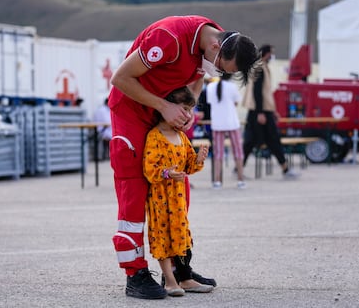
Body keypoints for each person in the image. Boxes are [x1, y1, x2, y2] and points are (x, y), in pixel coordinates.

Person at [108, 15, 260, 300]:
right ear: (215, 47)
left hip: (163, 113)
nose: (218, 73)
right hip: (132, 112)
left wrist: (186, 112)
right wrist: (163, 106)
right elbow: (120, 79)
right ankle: (135, 273)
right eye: (221, 69)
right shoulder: (169, 39)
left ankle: (179, 270)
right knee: (134, 192)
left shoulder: (210, 41)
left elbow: (197, 79)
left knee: (178, 190)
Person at [143, 87, 212, 297]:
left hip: (178, 202)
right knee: (162, 237)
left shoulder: (181, 137)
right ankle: (170, 280)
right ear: (167, 108)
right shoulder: (155, 137)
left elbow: (188, 166)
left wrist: (198, 159)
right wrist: (167, 173)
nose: (188, 116)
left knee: (181, 236)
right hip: (160, 200)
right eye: (184, 109)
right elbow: (149, 168)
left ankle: (186, 278)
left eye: (190, 110)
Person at [243, 44, 298, 178]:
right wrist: (261, 112)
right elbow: (257, 92)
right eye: (271, 54)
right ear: (265, 54)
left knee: (252, 140)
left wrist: (272, 111)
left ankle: (239, 166)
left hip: (260, 110)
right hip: (259, 111)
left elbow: (265, 92)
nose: (272, 56)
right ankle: (285, 168)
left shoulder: (261, 67)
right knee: (270, 138)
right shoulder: (260, 68)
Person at [207, 73, 246, 189]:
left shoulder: (210, 87)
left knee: (218, 154)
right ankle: (240, 179)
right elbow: (236, 102)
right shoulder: (232, 86)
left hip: (217, 123)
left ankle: (217, 181)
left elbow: (210, 103)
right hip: (232, 123)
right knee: (238, 152)